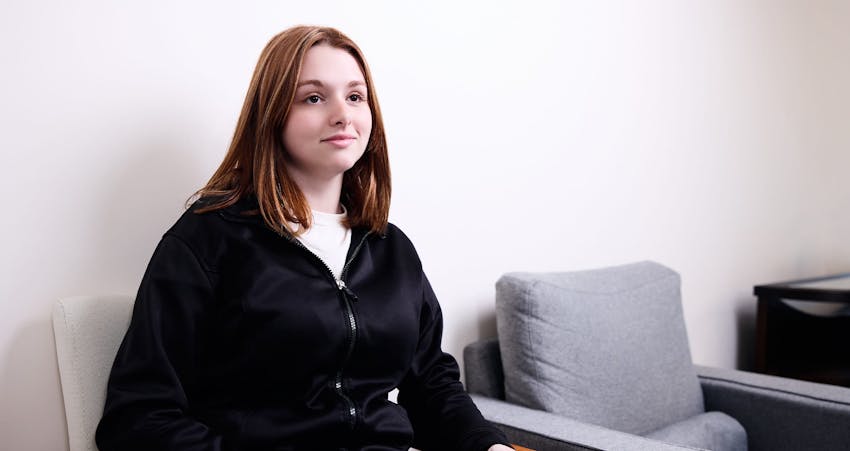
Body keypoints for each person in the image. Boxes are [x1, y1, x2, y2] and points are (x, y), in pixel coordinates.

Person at [95, 25, 514, 451]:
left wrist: (489, 445)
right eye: (314, 98)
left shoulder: (392, 249)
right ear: (272, 114)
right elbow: (139, 418)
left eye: (355, 96)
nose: (343, 115)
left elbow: (432, 387)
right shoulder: (209, 238)